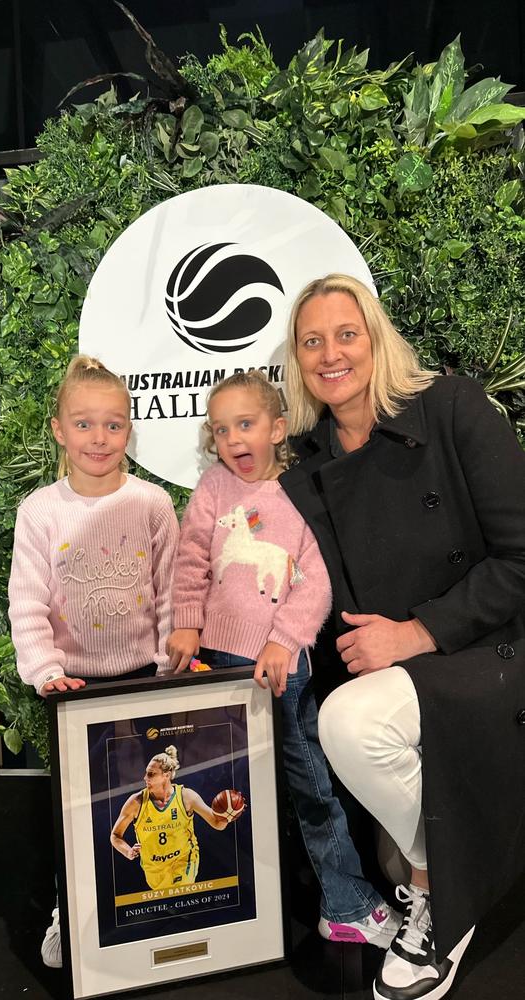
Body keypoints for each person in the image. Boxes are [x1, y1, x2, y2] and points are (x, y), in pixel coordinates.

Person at [280, 272, 525, 1000]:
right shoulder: (305, 467)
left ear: (378, 339)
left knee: (350, 721)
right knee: (344, 721)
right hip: (401, 672)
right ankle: (441, 871)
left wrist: (420, 631)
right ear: (297, 360)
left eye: (346, 334)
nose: (331, 354)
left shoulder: (452, 409)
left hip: (496, 646)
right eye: (312, 341)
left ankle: (438, 893)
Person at [166, 370, 402, 947]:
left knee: (311, 783)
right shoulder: (214, 491)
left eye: (245, 424)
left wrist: (285, 639)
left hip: (281, 668)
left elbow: (318, 579)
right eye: (220, 430)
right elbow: (192, 558)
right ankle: (222, 901)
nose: (233, 440)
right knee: (221, 783)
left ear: (276, 428)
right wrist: (186, 622)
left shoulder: (303, 490)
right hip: (216, 661)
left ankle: (344, 901)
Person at [8, 354, 179, 968]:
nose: (98, 438)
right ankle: (72, 910)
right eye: (84, 424)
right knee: (79, 811)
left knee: (147, 799)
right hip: (71, 692)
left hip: (142, 684)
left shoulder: (154, 503)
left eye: (112, 425)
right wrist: (46, 669)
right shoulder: (40, 511)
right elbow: (26, 601)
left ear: (129, 431)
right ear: (58, 429)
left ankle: (148, 909)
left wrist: (167, 666)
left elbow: (170, 591)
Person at [110, 745, 243, 890]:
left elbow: (217, 823)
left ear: (166, 775)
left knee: (181, 894)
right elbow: (115, 835)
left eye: (151, 774)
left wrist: (228, 814)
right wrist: (128, 851)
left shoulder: (187, 797)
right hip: (153, 868)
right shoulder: (136, 802)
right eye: (146, 773)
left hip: (184, 859)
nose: (145, 778)